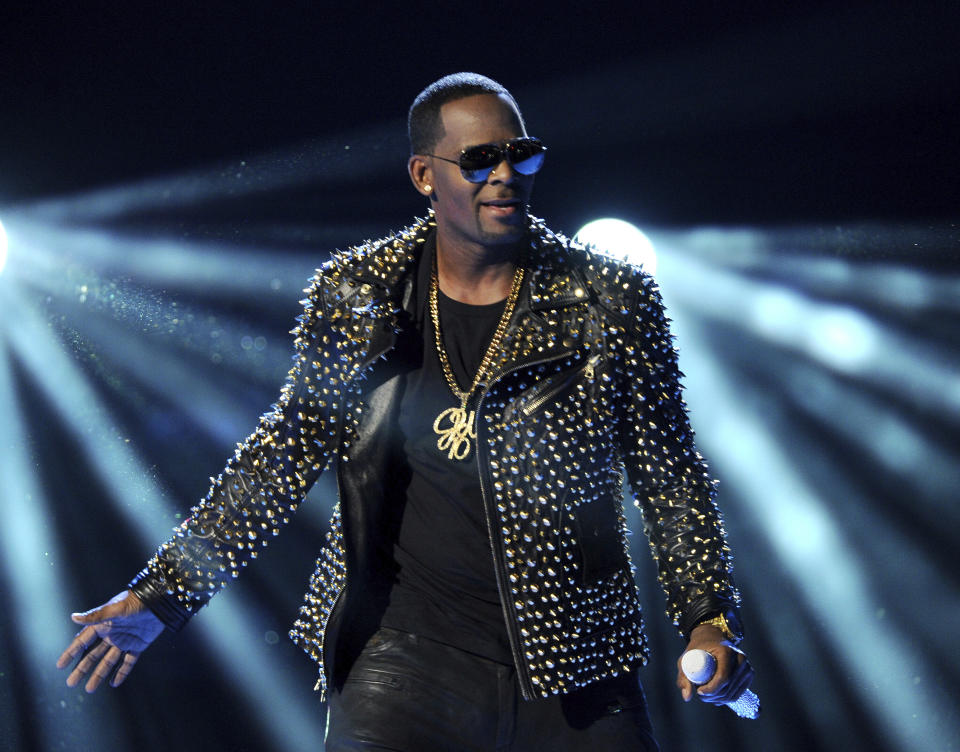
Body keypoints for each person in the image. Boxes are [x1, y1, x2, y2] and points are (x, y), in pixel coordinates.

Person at [57, 72, 754, 750]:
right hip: (404, 660)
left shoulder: (608, 298)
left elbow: (669, 473)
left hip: (576, 666)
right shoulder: (360, 294)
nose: (506, 174)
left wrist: (708, 617)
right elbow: (286, 451)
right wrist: (166, 593)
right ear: (426, 175)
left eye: (522, 153)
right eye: (481, 160)